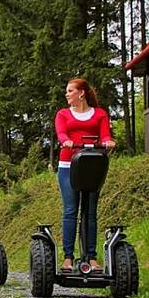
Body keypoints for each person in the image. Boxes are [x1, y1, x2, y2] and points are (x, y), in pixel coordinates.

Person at [55, 78, 115, 272]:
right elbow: (62, 134)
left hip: (92, 166)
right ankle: (68, 257)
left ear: (81, 93)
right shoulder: (63, 114)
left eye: (70, 90)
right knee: (71, 210)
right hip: (68, 166)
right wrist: (66, 142)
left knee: (90, 211)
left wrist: (108, 142)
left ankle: (91, 257)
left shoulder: (100, 114)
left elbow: (105, 135)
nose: (67, 94)